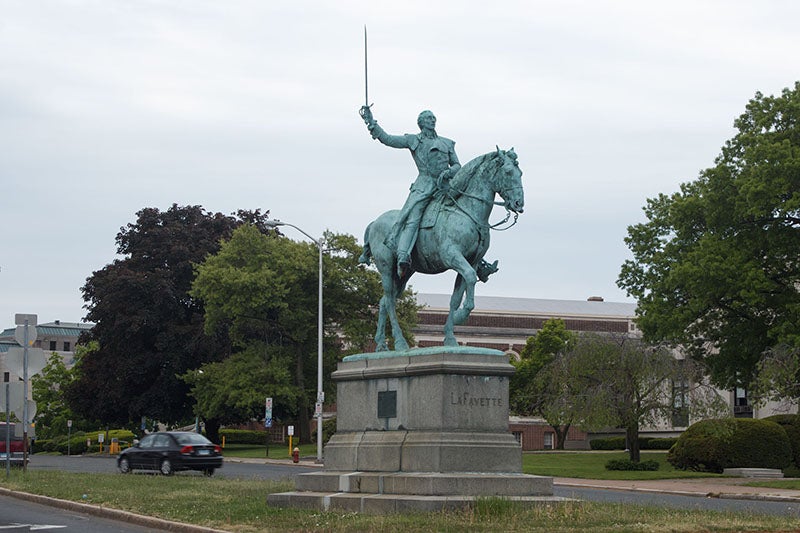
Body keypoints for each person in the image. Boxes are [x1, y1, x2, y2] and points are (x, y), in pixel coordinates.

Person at [360, 106, 461, 277]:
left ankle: (477, 260)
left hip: (446, 186)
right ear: (421, 123)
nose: (432, 120)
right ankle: (403, 254)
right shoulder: (414, 140)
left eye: (433, 117)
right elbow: (388, 139)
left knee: (463, 215)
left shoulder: (446, 142)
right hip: (424, 186)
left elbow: (457, 165)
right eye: (428, 118)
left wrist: (450, 172)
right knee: (413, 219)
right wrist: (371, 122)